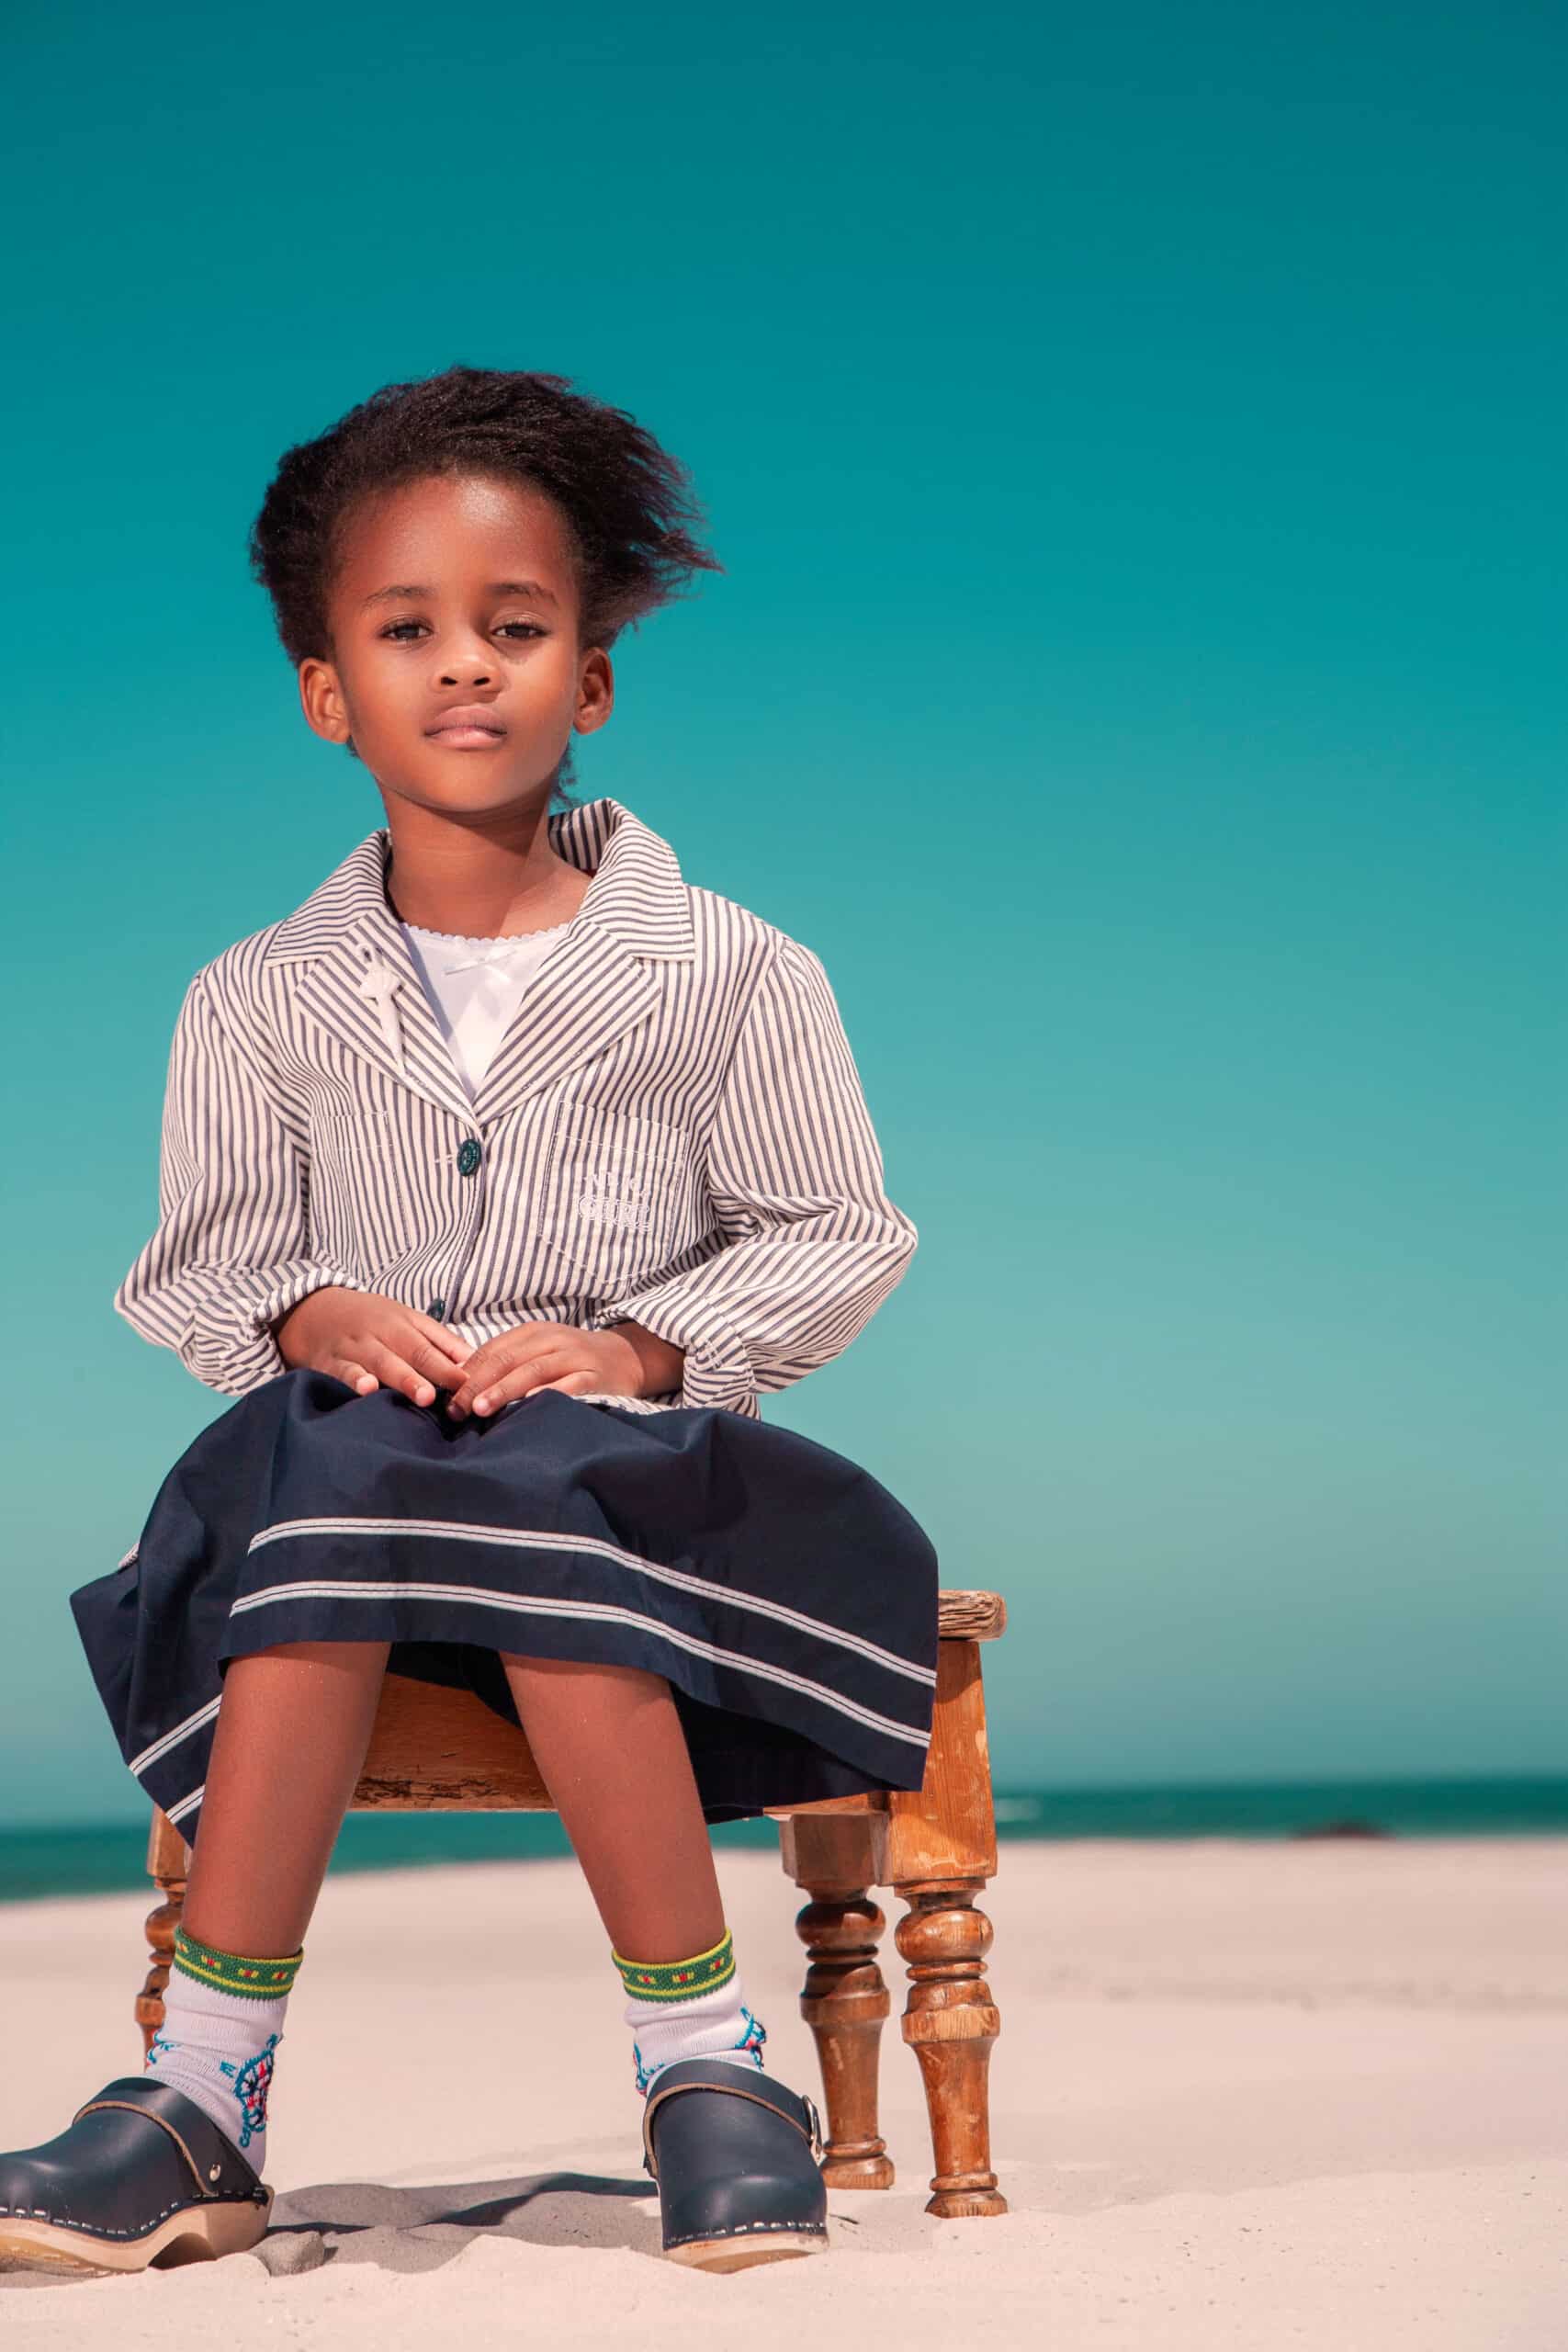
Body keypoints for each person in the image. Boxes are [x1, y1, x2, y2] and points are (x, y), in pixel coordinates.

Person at [0, 366, 939, 2278]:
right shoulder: (256, 994)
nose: (464, 669)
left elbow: (835, 1229)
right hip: (328, 1517)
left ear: (589, 678)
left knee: (520, 1458)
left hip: (645, 1503)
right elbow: (194, 1265)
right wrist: (311, 1301)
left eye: (515, 630)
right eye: (405, 629)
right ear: (325, 689)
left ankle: (686, 2056)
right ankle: (220, 2091)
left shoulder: (733, 967)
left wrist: (637, 1345)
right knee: (346, 1426)